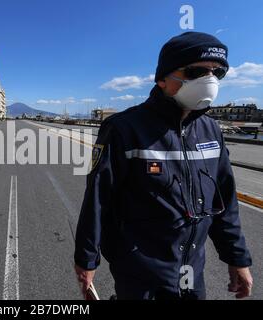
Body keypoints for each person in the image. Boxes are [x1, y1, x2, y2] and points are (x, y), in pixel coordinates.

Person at [74, 32, 253, 300]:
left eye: (217, 73)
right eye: (196, 72)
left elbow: (224, 202)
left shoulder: (211, 131)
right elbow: (98, 199)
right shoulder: (124, 129)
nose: (210, 81)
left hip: (192, 269)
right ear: (162, 79)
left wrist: (237, 258)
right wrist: (86, 260)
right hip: (139, 270)